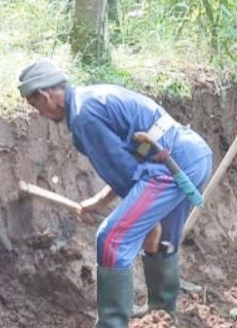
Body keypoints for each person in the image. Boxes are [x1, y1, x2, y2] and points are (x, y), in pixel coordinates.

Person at [17, 60, 213, 327]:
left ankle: (111, 324)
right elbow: (132, 163)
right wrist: (98, 202)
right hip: (192, 155)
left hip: (170, 167)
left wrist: (147, 223)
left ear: (45, 95)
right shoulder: (92, 97)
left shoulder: (84, 118)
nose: (39, 112)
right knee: (165, 238)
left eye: (34, 105)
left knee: (112, 239)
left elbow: (129, 175)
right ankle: (162, 315)